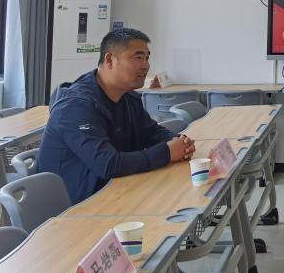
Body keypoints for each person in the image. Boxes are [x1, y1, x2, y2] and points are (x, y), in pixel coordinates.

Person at [39, 27, 196, 204]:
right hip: (79, 205)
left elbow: (151, 132)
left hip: (120, 191)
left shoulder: (128, 97)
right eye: (138, 57)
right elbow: (107, 164)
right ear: (109, 60)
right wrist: (167, 152)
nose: (145, 65)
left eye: (147, 58)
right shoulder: (75, 106)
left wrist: (179, 142)